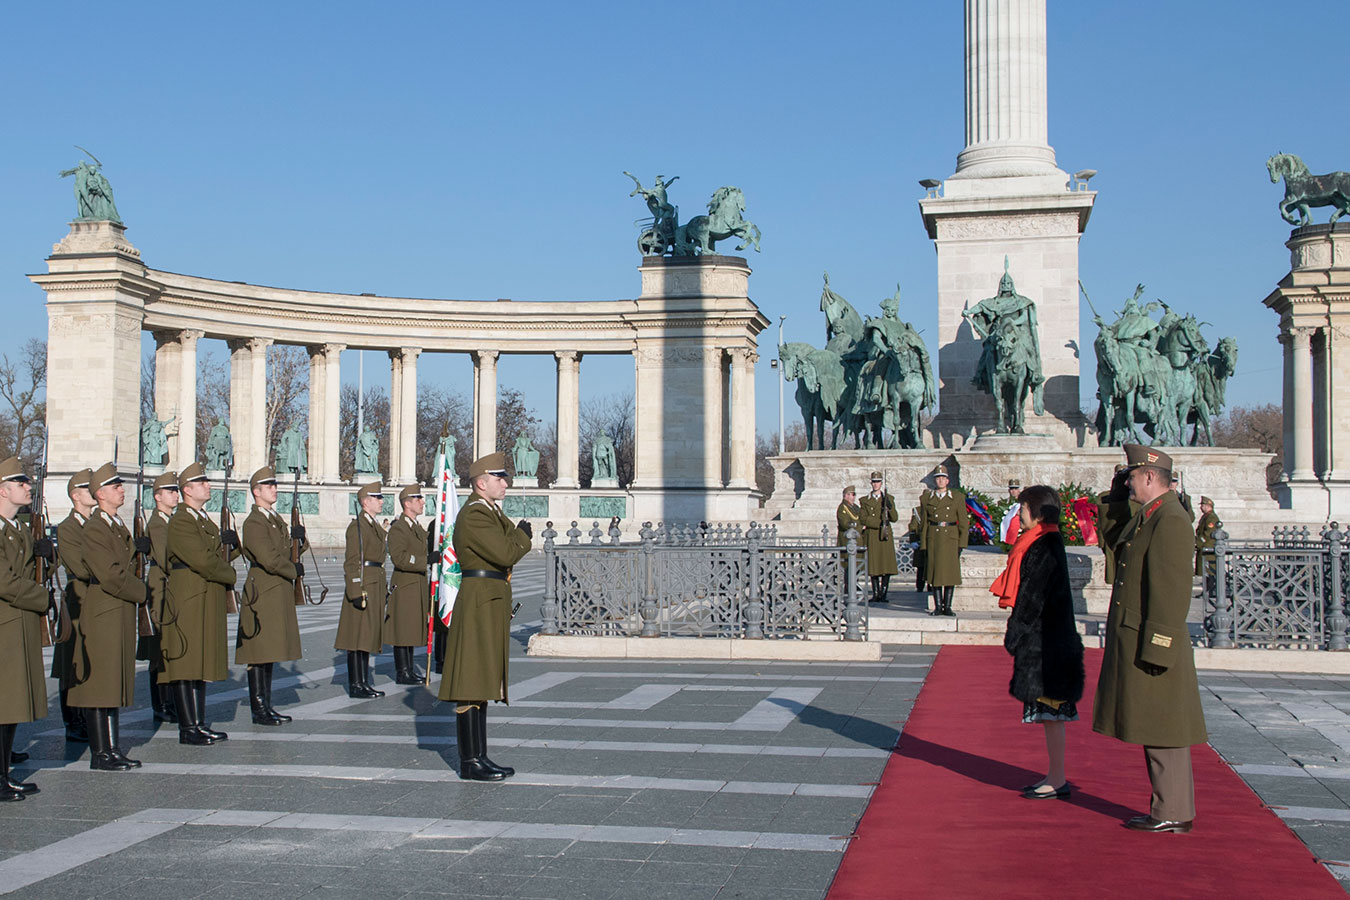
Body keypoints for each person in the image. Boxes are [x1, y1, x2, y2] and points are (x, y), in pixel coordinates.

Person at [1093, 444, 1207, 833]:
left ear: (1147, 477)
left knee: (1165, 726)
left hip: (1155, 639)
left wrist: (1159, 644)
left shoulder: (1170, 519)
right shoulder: (1151, 515)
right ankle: (1167, 806)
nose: (1127, 485)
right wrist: (1113, 496)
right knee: (1157, 724)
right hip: (1140, 635)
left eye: (1129, 479)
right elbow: (1113, 539)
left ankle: (1172, 810)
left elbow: (1171, 589)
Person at [438, 452, 532, 782]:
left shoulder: (489, 511)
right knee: (471, 682)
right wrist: (522, 537)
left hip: (488, 599)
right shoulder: (475, 514)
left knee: (481, 682)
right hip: (479, 601)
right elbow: (506, 552)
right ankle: (470, 760)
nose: (505, 483)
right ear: (481, 483)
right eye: (499, 478)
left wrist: (514, 537)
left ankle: (480, 755)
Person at [998, 485, 1085, 799]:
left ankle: (1058, 777)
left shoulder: (1043, 543)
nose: (1019, 515)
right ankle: (1054, 774)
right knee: (1050, 715)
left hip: (1048, 643)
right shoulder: (1043, 540)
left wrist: (1015, 632)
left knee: (1052, 714)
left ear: (1036, 511)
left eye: (1023, 509)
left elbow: (1032, 596)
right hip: (1049, 640)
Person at [69, 462, 148, 771]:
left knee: (112, 681)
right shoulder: (95, 528)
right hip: (104, 609)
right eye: (116, 487)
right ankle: (101, 752)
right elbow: (110, 575)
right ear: (100, 494)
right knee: (101, 683)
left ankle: (112, 748)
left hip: (118, 610)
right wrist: (141, 591)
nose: (122, 490)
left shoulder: (114, 524)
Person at [164, 462, 238, 746]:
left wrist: (232, 544)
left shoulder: (203, 519)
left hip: (205, 594)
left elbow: (217, 554)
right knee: (187, 663)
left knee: (201, 660)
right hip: (189, 596)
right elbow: (202, 560)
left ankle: (199, 722)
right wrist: (229, 573)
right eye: (201, 482)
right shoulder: (182, 520)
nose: (208, 485)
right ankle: (188, 727)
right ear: (187, 490)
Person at [236, 467, 305, 725]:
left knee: (270, 651)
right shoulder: (254, 522)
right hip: (263, 590)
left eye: (274, 485)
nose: (274, 489)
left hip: (277, 590)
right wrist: (292, 570)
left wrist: (301, 538)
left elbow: (289, 549)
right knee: (259, 652)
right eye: (269, 486)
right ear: (256, 491)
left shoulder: (274, 519)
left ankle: (266, 704)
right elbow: (269, 558)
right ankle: (259, 708)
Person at [0, 457, 50, 800]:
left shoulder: (17, 528)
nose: (29, 488)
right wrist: (42, 596)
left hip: (19, 622)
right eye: (21, 484)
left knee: (12, 704)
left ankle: (4, 774)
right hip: (6, 622)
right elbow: (4, 581)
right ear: (4, 490)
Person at [53, 468, 93, 742]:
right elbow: (79, 566)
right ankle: (73, 721)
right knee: (71, 661)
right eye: (89, 489)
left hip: (97, 599)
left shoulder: (97, 523)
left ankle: (87, 715)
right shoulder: (68, 528)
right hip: (78, 598)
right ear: (76, 496)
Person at [338, 482, 387, 698]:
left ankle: (363, 681)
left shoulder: (374, 525)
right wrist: (356, 588)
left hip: (374, 582)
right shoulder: (357, 527)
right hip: (364, 584)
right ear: (366, 502)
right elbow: (352, 561)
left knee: (366, 636)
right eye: (377, 498)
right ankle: (356, 684)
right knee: (357, 638)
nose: (381, 501)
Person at [144, 471, 180, 723]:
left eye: (176, 491)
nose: (175, 495)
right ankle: (161, 703)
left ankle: (171, 700)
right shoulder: (157, 523)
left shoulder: (172, 521)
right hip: (161, 587)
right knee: (159, 649)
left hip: (172, 587)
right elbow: (167, 557)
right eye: (170, 491)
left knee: (169, 645)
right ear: (158, 497)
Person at [387, 484, 430, 685]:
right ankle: (402, 671)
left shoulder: (416, 527)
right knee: (403, 629)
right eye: (418, 499)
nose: (423, 502)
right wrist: (425, 561)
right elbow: (399, 557)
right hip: (405, 584)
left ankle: (409, 669)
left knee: (411, 628)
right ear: (407, 503)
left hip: (417, 584)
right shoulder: (399, 528)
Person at [918, 465, 969, 617]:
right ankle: (938, 606)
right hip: (934, 537)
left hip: (950, 537)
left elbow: (964, 523)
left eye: (943, 478)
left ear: (947, 480)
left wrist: (962, 544)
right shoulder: (928, 498)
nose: (940, 481)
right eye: (937, 478)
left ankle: (948, 606)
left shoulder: (957, 498)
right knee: (935, 574)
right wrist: (924, 543)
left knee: (949, 574)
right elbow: (925, 522)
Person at [859, 473, 898, 603]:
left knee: (886, 565)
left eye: (878, 482)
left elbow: (895, 518)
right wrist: (877, 522)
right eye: (874, 482)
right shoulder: (865, 500)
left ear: (881, 483)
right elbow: (863, 518)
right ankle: (876, 593)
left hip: (885, 534)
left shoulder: (888, 498)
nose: (876, 484)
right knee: (874, 566)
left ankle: (884, 593)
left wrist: (889, 507)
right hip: (873, 534)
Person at [1194, 497, 1221, 597]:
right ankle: (1207, 591)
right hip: (1204, 548)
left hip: (1208, 548)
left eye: (1202, 505)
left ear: (1207, 506)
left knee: (1210, 572)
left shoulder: (1211, 518)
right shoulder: (1206, 516)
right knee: (1206, 573)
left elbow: (1208, 534)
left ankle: (1211, 592)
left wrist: (1198, 542)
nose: (1201, 507)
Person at [999, 479, 1022, 544]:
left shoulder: (1022, 502)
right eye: (1012, 489)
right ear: (1009, 490)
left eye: (1016, 488)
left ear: (1019, 490)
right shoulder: (1002, 503)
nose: (1013, 491)